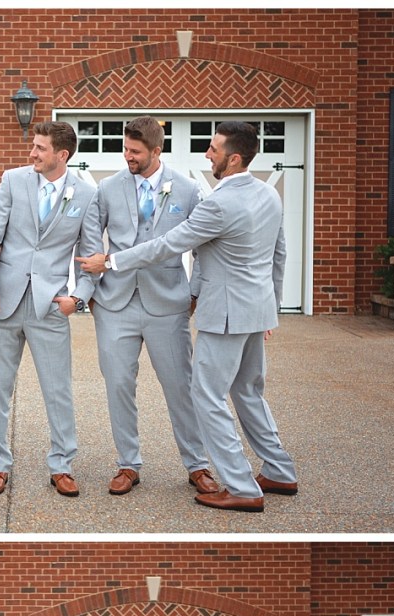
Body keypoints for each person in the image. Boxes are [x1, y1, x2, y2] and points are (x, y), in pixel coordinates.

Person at [77, 121, 295, 512]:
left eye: (213, 149)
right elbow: (277, 255)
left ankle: (228, 479)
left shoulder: (205, 195)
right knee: (245, 390)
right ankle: (278, 470)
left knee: (201, 393)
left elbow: (174, 244)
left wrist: (110, 262)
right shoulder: (269, 195)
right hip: (126, 305)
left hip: (198, 308)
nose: (206, 155)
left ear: (235, 157)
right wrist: (270, 308)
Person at [71, 118, 219, 498]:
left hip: (168, 304)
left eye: (135, 152)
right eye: (125, 149)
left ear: (156, 151)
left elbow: (203, 246)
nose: (128, 157)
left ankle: (197, 464)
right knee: (119, 385)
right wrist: (88, 291)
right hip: (115, 303)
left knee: (180, 387)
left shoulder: (186, 190)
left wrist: (195, 292)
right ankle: (128, 464)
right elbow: (90, 242)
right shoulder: (106, 188)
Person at [0, 120, 96, 498]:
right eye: (33, 146)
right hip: (3, 302)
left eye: (40, 148)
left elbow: (89, 255)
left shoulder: (87, 195)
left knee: (58, 390)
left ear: (62, 155)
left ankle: (61, 465)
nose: (32, 153)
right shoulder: (13, 180)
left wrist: (78, 298)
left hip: (49, 307)